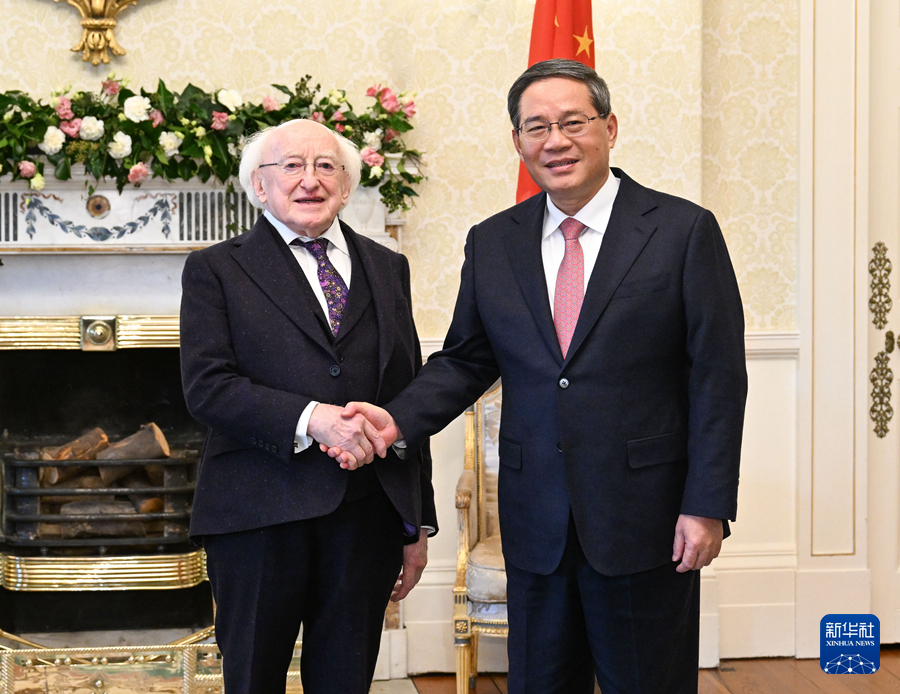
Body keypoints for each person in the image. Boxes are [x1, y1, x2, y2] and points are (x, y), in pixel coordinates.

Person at [341, 59, 747, 694]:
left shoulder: (682, 230)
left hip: (645, 516)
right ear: (517, 143)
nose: (555, 141)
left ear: (609, 127)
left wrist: (707, 505)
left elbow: (717, 379)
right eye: (536, 127)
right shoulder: (493, 241)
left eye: (572, 122)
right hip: (535, 521)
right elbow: (466, 359)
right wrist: (397, 419)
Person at [179, 118, 436, 694]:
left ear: (347, 186)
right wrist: (314, 418)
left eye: (326, 166)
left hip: (367, 515)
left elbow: (409, 395)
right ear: (259, 187)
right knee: (252, 680)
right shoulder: (216, 269)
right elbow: (208, 386)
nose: (309, 180)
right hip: (257, 513)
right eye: (290, 166)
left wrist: (417, 520)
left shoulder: (387, 266)